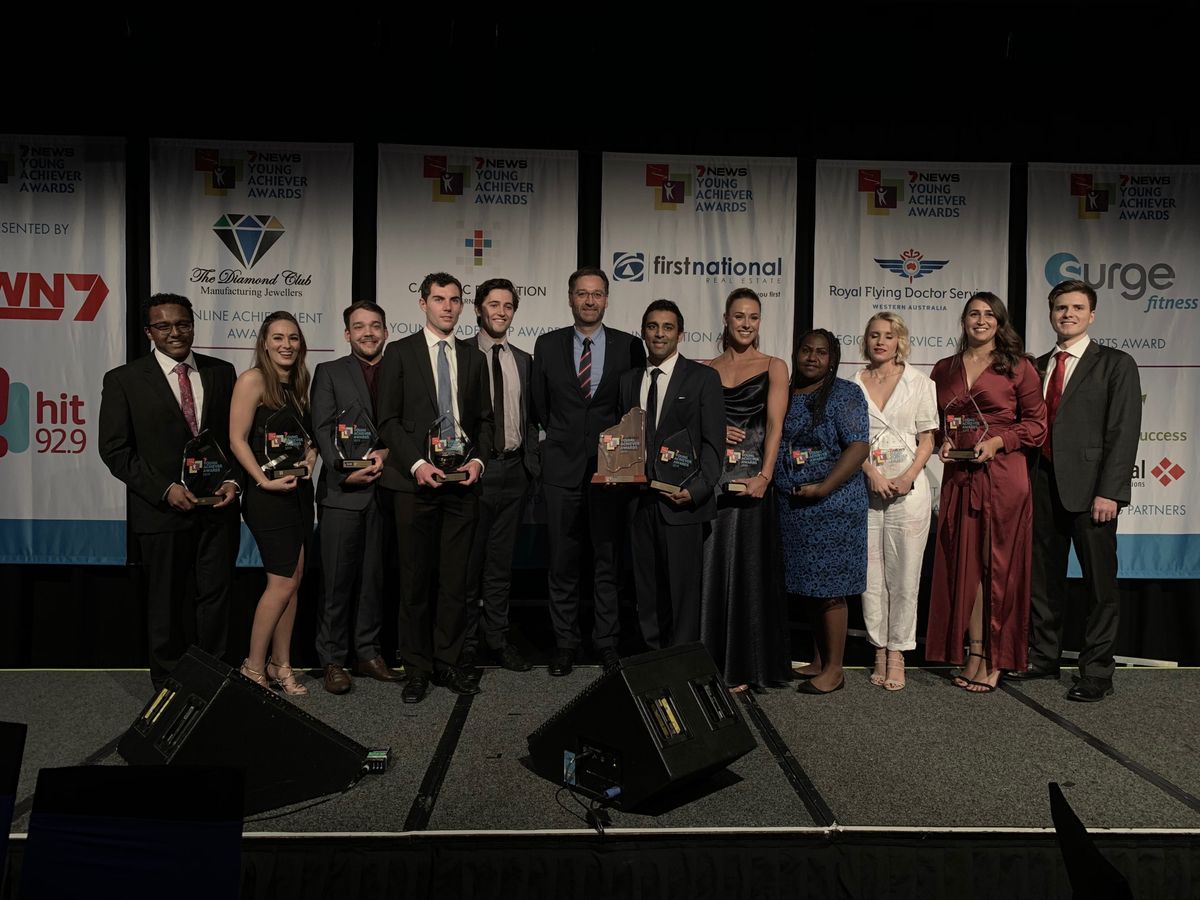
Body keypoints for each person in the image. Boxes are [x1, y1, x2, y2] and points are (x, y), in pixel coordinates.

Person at [98, 293, 240, 691]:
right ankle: (168, 683)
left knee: (216, 596)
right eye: (163, 326)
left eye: (182, 324)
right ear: (149, 332)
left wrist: (233, 481)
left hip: (217, 508)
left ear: (193, 326)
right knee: (165, 600)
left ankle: (213, 677)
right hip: (161, 511)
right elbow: (114, 450)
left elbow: (237, 438)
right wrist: (164, 489)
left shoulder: (222, 372)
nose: (174, 332)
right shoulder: (124, 379)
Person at [1009, 279, 1141, 702]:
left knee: (1100, 586)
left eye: (1077, 308)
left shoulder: (1115, 363)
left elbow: (1123, 432)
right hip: (1040, 484)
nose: (1068, 314)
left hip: (1092, 492)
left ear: (1092, 315)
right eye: (1061, 307)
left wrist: (1110, 492)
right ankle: (1043, 657)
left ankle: (1097, 671)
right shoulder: (1037, 366)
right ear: (1051, 314)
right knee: (1043, 581)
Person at [376, 272, 493, 703]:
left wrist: (478, 460)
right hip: (415, 487)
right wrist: (417, 464)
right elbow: (387, 420)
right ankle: (417, 669)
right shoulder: (399, 352)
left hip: (462, 486)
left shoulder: (474, 357)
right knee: (414, 581)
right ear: (423, 303)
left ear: (462, 306)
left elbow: (485, 421)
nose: (447, 306)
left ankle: (447, 663)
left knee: (455, 582)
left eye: (454, 300)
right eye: (439, 299)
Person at [927, 293, 1046, 693]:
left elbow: (1037, 425)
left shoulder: (1018, 367)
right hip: (960, 476)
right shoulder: (944, 368)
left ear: (1000, 322)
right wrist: (943, 441)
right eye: (974, 314)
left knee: (999, 567)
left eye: (989, 314)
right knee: (966, 568)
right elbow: (936, 421)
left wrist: (999, 441)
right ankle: (975, 651)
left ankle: (999, 657)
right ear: (963, 321)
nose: (981, 320)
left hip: (1004, 476)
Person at [531, 267, 646, 675]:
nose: (590, 300)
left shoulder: (629, 346)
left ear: (607, 299)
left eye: (597, 294)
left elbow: (632, 408)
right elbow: (540, 406)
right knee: (562, 562)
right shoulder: (547, 345)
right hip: (561, 470)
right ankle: (565, 644)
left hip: (610, 473)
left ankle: (607, 643)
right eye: (582, 293)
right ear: (570, 298)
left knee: (607, 562)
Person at [619, 299, 724, 649]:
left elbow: (713, 445)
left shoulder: (703, 378)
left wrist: (697, 490)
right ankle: (651, 659)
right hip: (638, 503)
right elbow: (623, 439)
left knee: (682, 595)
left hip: (681, 504)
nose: (659, 334)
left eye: (667, 327)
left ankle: (680, 665)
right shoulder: (628, 381)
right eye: (652, 326)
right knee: (645, 593)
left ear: (681, 334)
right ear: (643, 332)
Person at [310, 301, 403, 694]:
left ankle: (368, 653)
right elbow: (322, 427)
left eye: (375, 325)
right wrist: (343, 469)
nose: (368, 332)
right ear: (347, 334)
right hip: (342, 492)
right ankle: (332, 659)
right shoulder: (329, 371)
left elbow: (406, 426)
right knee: (336, 581)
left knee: (373, 580)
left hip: (387, 490)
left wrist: (387, 454)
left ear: (386, 331)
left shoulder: (400, 370)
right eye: (359, 326)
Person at [700, 288, 791, 692]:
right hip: (716, 482)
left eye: (753, 317)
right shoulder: (706, 369)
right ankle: (712, 663)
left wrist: (765, 477)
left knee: (750, 571)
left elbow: (774, 426)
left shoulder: (774, 366)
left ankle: (747, 666)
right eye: (739, 316)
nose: (746, 324)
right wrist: (715, 428)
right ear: (726, 319)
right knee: (714, 566)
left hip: (754, 480)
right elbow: (693, 424)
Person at [774, 328, 869, 696]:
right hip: (795, 508)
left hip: (833, 507)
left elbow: (858, 446)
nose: (812, 358)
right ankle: (818, 659)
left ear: (832, 360)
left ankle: (834, 669)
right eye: (806, 350)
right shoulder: (787, 393)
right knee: (810, 586)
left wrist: (825, 486)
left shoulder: (845, 394)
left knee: (830, 589)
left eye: (821, 352)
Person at [229, 311, 318, 696]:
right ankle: (253, 666)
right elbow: (237, 439)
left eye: (293, 338)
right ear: (265, 343)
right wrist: (262, 481)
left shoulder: (300, 383)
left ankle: (281, 665)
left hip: (298, 493)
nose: (286, 345)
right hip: (267, 497)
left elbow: (308, 439)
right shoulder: (253, 380)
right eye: (278, 337)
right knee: (281, 582)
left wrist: (311, 460)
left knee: (292, 583)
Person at [852, 312, 937, 692]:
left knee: (904, 577)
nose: (881, 341)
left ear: (899, 340)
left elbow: (928, 439)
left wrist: (907, 477)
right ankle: (878, 649)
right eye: (874, 335)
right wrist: (871, 473)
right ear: (866, 340)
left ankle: (898, 652)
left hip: (909, 492)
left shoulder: (921, 383)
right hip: (867, 490)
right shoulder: (853, 384)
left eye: (888, 335)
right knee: (871, 578)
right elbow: (849, 439)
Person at [464, 278, 540, 672]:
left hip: (513, 471)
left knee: (500, 564)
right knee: (466, 564)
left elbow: (532, 418)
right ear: (479, 308)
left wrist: (531, 465)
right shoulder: (460, 354)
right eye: (493, 304)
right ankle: (463, 644)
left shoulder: (524, 360)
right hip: (473, 473)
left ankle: (496, 639)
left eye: (508, 306)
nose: (501, 312)